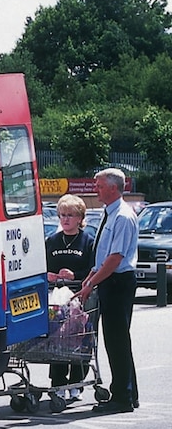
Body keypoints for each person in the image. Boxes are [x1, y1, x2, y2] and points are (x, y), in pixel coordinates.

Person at [76, 168, 139, 413]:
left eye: (100, 185)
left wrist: (93, 282)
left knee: (117, 341)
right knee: (117, 340)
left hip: (117, 281)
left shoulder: (122, 216)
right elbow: (103, 255)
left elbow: (115, 258)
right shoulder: (109, 213)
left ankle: (122, 397)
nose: (96, 189)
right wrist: (91, 275)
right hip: (109, 279)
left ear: (113, 188)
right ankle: (129, 393)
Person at [45, 193, 94, 399]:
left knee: (79, 339)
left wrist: (76, 275)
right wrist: (49, 275)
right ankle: (58, 383)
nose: (65, 219)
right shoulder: (53, 241)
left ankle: (77, 382)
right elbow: (43, 267)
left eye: (70, 215)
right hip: (57, 299)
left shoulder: (87, 241)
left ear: (80, 218)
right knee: (57, 339)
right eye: (62, 215)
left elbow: (94, 269)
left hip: (80, 298)